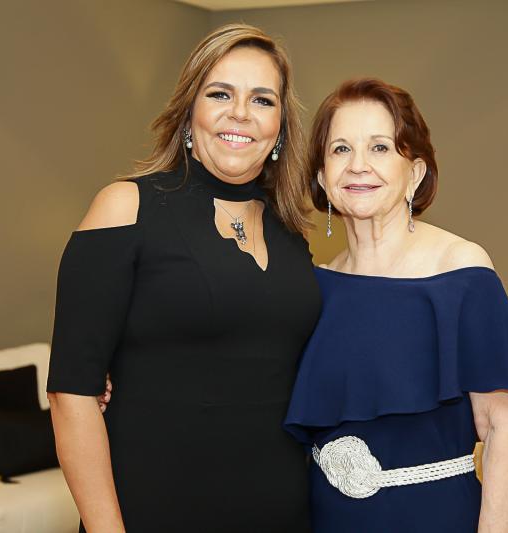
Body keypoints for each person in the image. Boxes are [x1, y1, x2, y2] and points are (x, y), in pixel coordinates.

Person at [46, 24, 320, 532]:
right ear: (189, 112)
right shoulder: (125, 208)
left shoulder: (292, 234)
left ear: (280, 128)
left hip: (282, 514)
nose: (241, 113)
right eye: (220, 94)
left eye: (262, 100)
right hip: (153, 511)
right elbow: (71, 394)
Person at [283, 78, 508, 532]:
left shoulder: (460, 270)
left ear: (416, 173)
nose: (358, 165)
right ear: (323, 178)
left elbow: (504, 428)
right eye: (341, 149)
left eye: (380, 147)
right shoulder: (315, 286)